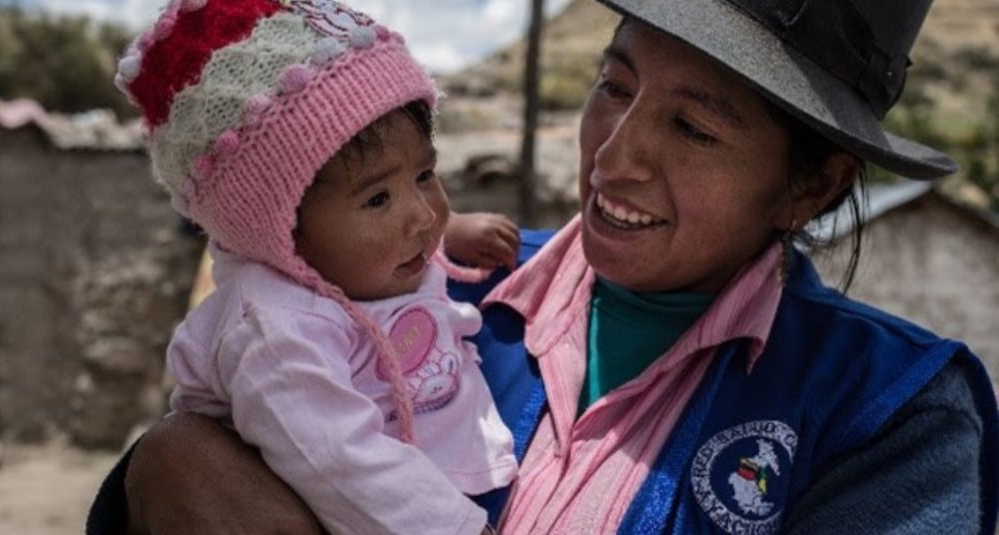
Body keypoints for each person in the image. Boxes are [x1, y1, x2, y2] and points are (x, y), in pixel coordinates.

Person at [88, 0, 999, 533]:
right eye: (613, 86)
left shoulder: (890, 412)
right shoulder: (427, 287)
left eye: (693, 126)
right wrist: (170, 470)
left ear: (811, 185)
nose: (615, 154)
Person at [105, 0, 524, 533]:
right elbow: (336, 460)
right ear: (280, 230)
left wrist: (453, 230)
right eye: (377, 199)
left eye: (424, 175)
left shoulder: (365, 258)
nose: (422, 215)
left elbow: (404, 228)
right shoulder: (275, 334)